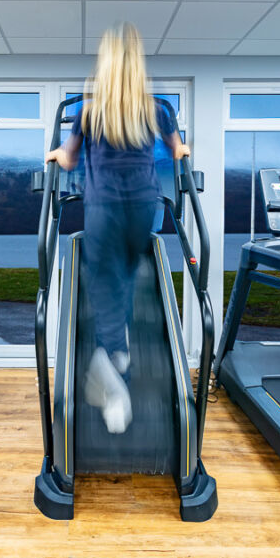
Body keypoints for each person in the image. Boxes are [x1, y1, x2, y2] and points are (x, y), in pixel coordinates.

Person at [45, 22, 190, 433]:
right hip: (143, 208)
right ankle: (114, 359)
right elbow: (177, 147)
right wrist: (181, 151)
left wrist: (57, 153)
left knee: (106, 285)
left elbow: (70, 160)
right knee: (124, 277)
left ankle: (116, 363)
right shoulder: (158, 109)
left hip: (104, 209)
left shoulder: (90, 111)